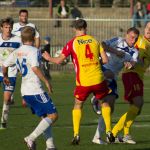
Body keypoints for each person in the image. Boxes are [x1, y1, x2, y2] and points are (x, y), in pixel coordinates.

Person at [42, 19, 110, 145]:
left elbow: (58, 61)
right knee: (104, 102)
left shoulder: (72, 43)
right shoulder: (95, 40)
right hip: (99, 78)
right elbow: (105, 60)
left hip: (83, 81)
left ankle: (76, 134)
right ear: (86, 27)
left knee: (78, 105)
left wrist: (48, 58)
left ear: (74, 28)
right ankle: (109, 131)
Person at [3, 26, 58, 150]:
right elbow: (34, 68)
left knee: (45, 117)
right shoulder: (33, 51)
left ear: (22, 39)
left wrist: (5, 76)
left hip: (25, 91)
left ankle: (50, 146)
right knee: (53, 115)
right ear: (33, 38)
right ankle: (31, 138)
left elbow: (5, 64)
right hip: (35, 89)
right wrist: (47, 81)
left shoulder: (17, 51)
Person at [91, 27, 140, 144]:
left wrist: (129, 65)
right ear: (126, 34)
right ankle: (97, 99)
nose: (133, 40)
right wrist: (116, 52)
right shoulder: (118, 40)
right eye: (132, 37)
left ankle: (97, 137)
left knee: (110, 106)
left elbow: (133, 63)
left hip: (113, 75)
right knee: (108, 78)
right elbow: (102, 45)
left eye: (136, 39)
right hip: (102, 67)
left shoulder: (134, 52)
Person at [111, 22, 150, 144]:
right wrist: (127, 61)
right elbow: (127, 48)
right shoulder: (139, 40)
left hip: (139, 77)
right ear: (144, 29)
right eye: (148, 27)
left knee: (136, 108)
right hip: (131, 74)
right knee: (138, 102)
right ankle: (113, 133)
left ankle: (126, 134)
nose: (149, 30)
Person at [0, 17, 21, 129]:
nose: (8, 29)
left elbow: (22, 54)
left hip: (11, 73)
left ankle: (3, 121)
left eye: (10, 27)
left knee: (7, 98)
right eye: (6, 27)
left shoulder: (18, 40)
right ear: (1, 28)